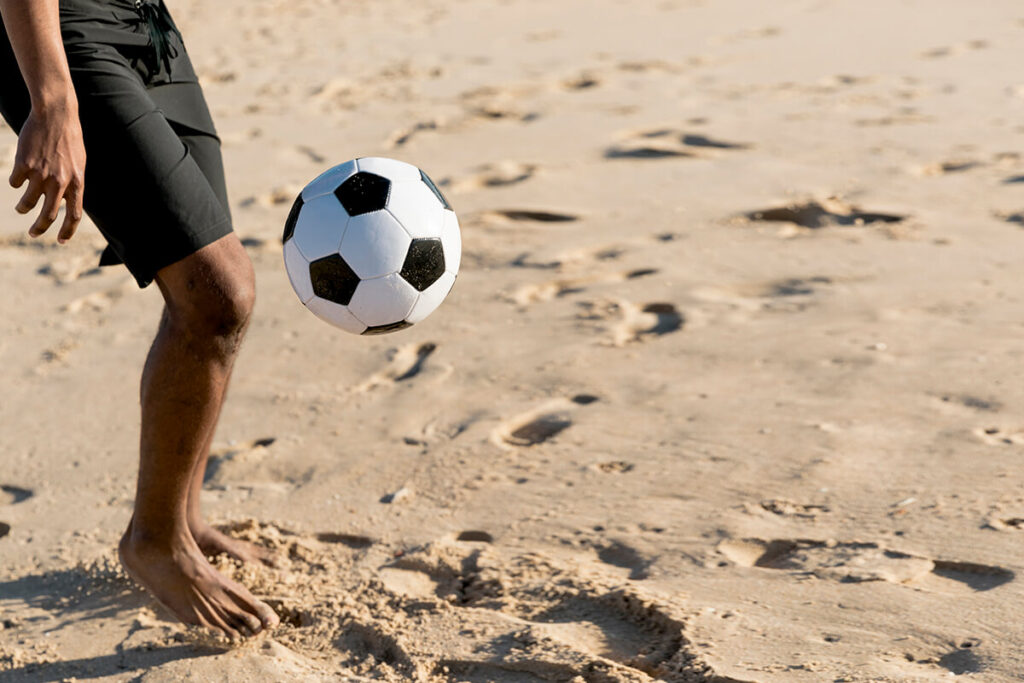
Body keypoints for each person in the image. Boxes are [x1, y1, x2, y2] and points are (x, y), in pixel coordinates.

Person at [0, 0, 279, 640]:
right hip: (58, 28)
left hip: (146, 21)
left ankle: (182, 514)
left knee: (207, 294)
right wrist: (53, 100)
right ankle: (155, 542)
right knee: (218, 293)